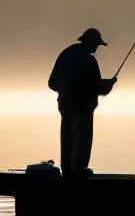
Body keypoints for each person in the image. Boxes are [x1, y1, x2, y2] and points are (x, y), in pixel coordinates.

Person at [48, 28, 117, 177]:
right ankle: (78, 171)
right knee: (82, 140)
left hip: (65, 106)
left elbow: (52, 83)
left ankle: (66, 171)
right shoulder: (88, 60)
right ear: (92, 43)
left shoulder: (65, 55)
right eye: (97, 44)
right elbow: (97, 87)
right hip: (83, 108)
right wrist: (109, 84)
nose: (96, 48)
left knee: (67, 138)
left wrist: (66, 91)